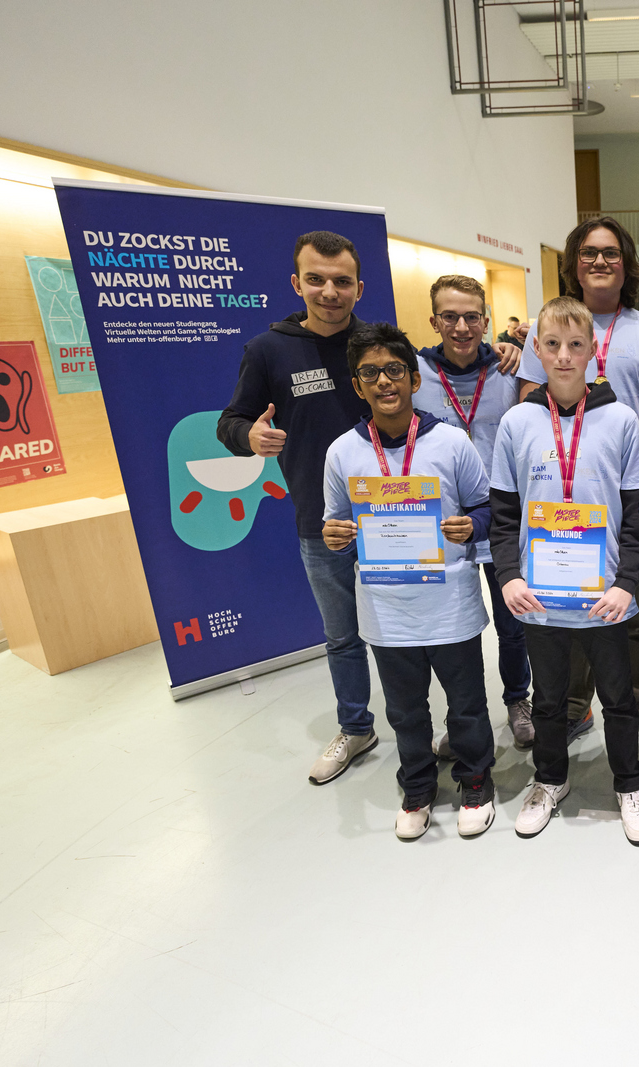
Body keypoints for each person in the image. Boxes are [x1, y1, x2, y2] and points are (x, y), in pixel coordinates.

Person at [218, 232, 522, 787]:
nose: (329, 291)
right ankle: (356, 727)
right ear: (297, 283)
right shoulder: (269, 350)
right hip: (330, 519)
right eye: (316, 279)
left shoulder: (381, 346)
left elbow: (448, 359)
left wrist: (505, 347)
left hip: (424, 520)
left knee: (456, 630)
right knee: (345, 636)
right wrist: (247, 436)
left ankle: (479, 719)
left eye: (342, 281)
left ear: (359, 288)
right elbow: (232, 420)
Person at [491, 296, 639, 846]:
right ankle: (549, 779)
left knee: (619, 697)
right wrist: (509, 576)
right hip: (539, 595)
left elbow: (635, 515)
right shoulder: (516, 422)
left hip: (604, 596)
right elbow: (503, 513)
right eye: (552, 345)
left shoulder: (621, 421)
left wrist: (625, 584)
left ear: (591, 353)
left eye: (575, 345)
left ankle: (629, 783)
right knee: (549, 699)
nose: (564, 356)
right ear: (536, 351)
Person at [320, 322, 496, 839]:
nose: (383, 381)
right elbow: (335, 524)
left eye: (394, 370)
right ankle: (417, 786)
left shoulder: (452, 442)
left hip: (450, 604)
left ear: (414, 379)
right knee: (404, 711)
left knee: (467, 707)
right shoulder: (341, 453)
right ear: (358, 386)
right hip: (386, 609)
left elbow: (486, 507)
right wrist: (335, 536)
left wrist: (472, 526)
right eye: (369, 373)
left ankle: (476, 780)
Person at [515, 217, 639, 756]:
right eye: (588, 253)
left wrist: (635, 459)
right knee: (569, 603)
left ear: (626, 263)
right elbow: (530, 398)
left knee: (637, 610)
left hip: (629, 489)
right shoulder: (551, 323)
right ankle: (574, 706)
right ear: (573, 265)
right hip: (563, 493)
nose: (600, 261)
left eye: (610, 252)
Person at [411, 275, 532, 750]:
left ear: (486, 320)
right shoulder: (415, 375)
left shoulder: (509, 370)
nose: (461, 327)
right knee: (449, 632)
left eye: (471, 317)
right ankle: (462, 717)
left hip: (502, 519)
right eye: (450, 316)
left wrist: (520, 349)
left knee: (512, 623)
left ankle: (518, 700)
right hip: (442, 525)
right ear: (434, 321)